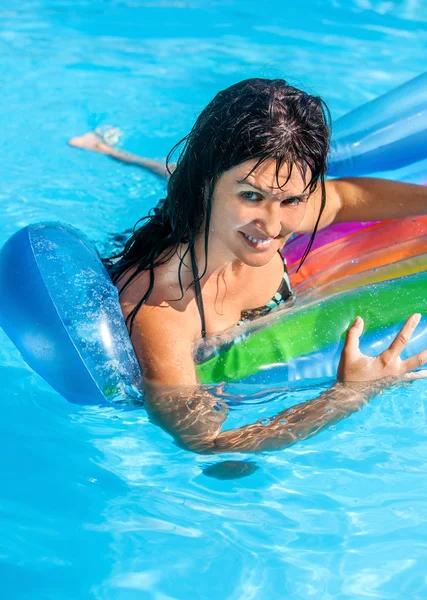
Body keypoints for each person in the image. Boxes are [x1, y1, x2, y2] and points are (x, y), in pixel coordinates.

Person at [69, 78, 427, 454]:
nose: (273, 226)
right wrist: (348, 396)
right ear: (205, 185)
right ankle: (109, 150)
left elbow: (339, 201)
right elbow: (205, 445)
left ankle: (121, 153)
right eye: (251, 196)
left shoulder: (277, 204)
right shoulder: (162, 310)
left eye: (291, 201)